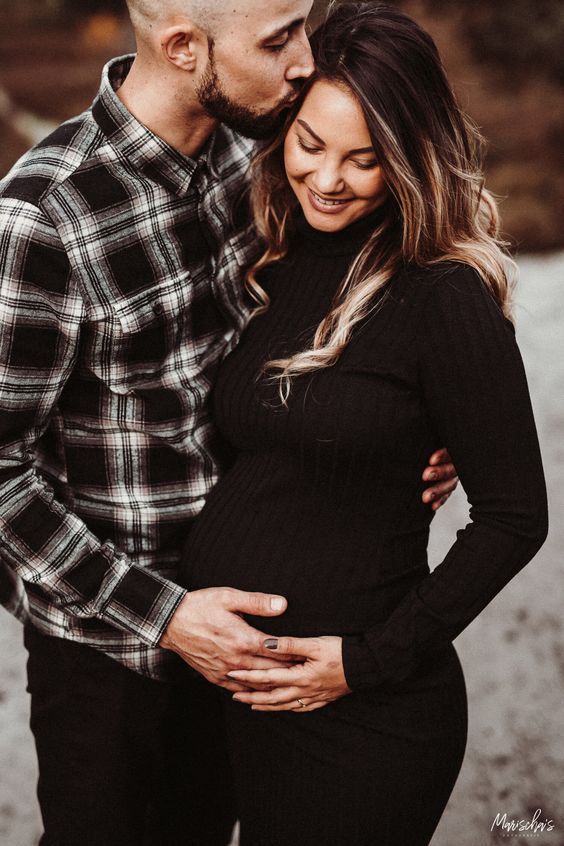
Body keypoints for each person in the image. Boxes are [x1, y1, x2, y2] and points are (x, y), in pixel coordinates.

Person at [0, 1, 458, 843]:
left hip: (259, 634)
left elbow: (350, 308)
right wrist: (169, 615)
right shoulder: (46, 220)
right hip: (117, 658)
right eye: (279, 37)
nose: (302, 58)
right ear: (184, 48)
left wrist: (421, 430)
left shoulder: (261, 149)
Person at [181, 3, 549, 845]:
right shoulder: (279, 256)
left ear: (411, 160)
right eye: (310, 145)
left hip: (363, 723)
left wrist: (364, 662)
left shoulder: (441, 292)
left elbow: (515, 518)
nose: (328, 179)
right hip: (243, 707)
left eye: (365, 160)